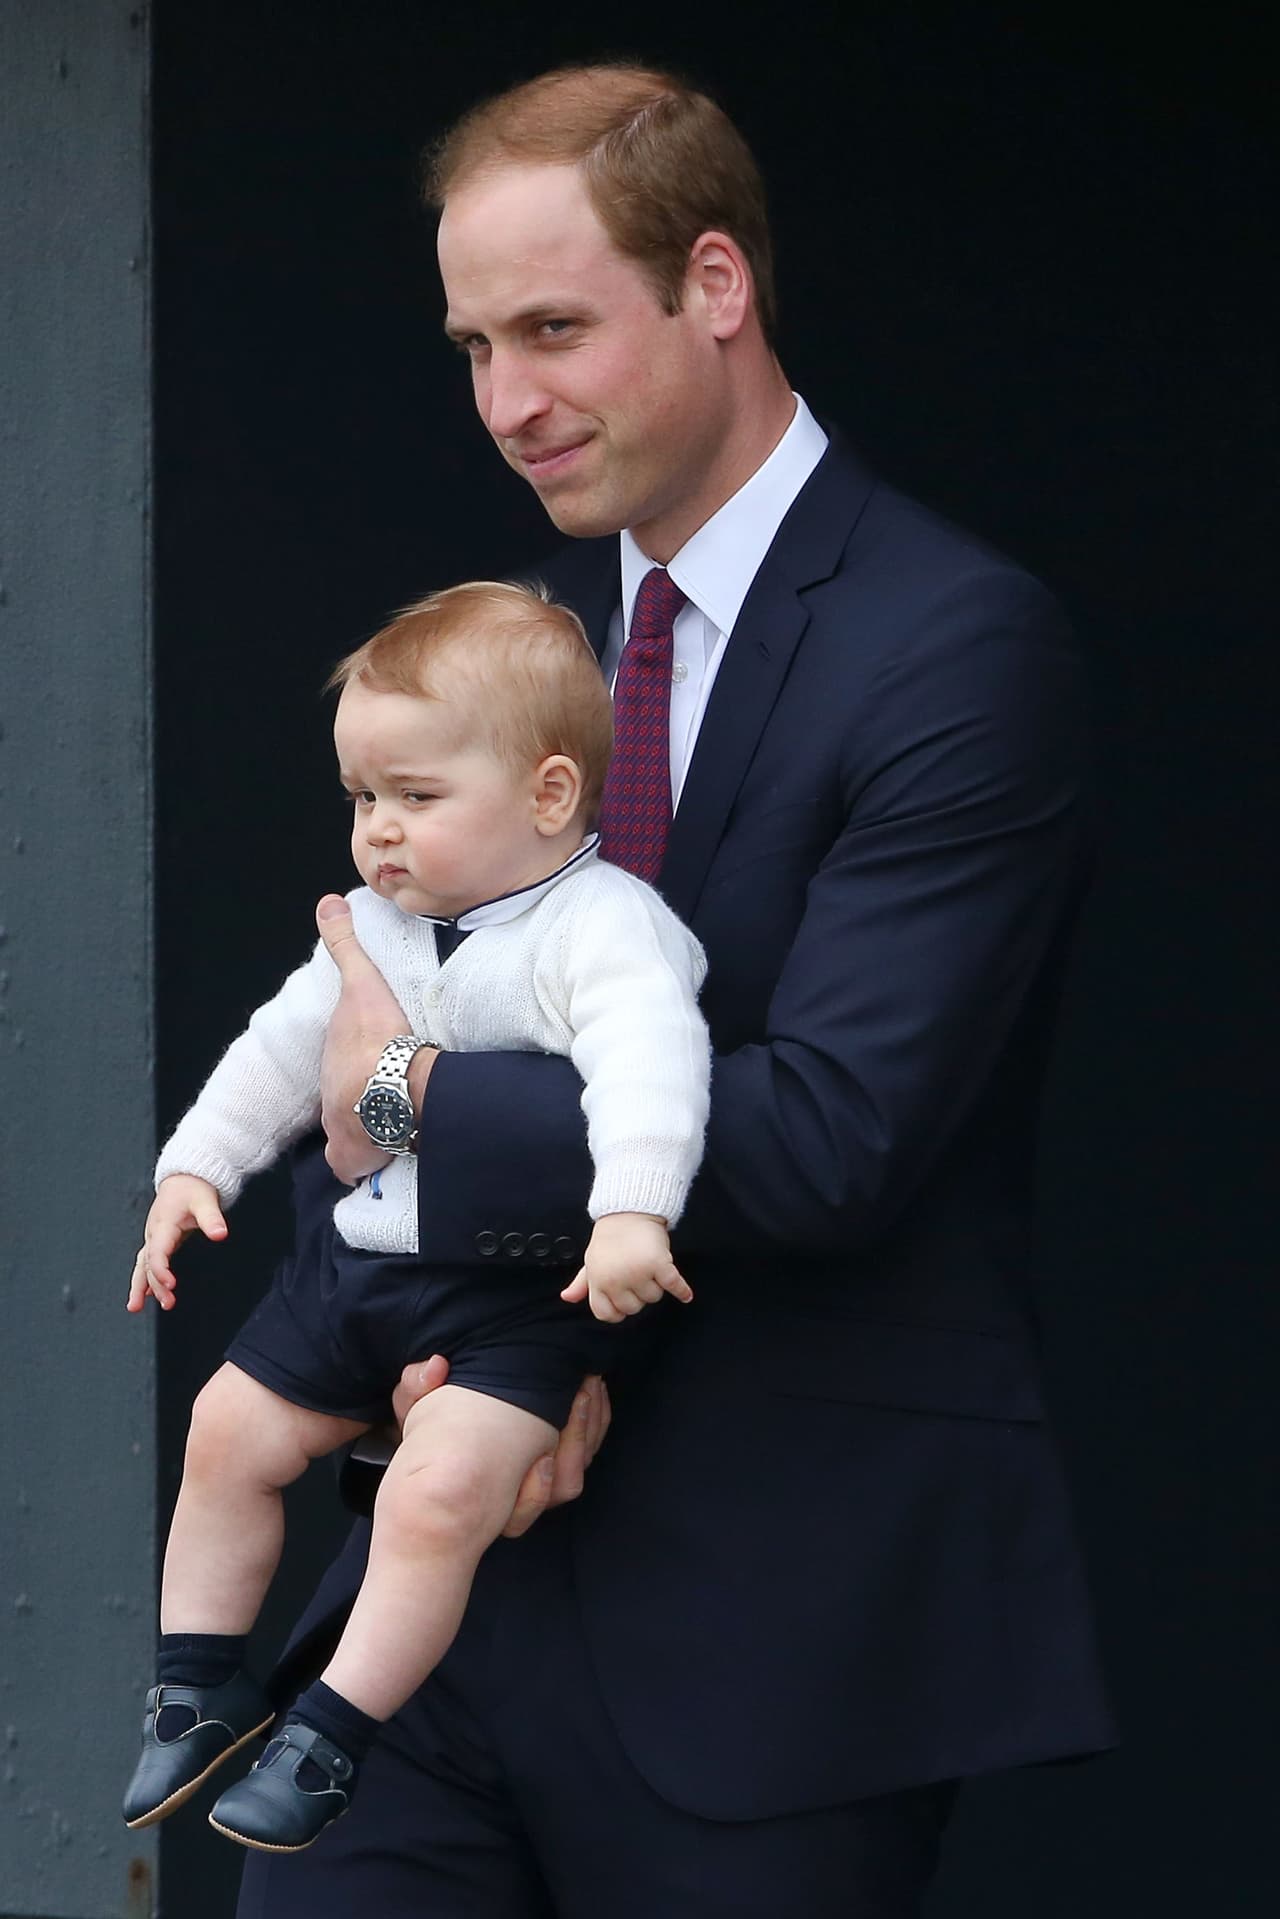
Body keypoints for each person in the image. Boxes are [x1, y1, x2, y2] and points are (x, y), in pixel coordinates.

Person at [238, 62, 1115, 1919]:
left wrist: (397, 1103)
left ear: (716, 283)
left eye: (555, 329)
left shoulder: (955, 642)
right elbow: (357, 1010)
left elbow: (826, 1132)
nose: (509, 403)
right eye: (475, 344)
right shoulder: (520, 648)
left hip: (770, 1630)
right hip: (439, 1583)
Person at [122, 581, 709, 1852]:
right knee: (226, 1425)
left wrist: (631, 1214)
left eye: (416, 798)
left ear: (551, 796)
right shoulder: (380, 927)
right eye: (361, 798)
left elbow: (652, 1067)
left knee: (434, 1492)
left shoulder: (605, 929)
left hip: (515, 1299)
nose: (378, 831)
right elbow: (282, 1054)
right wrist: (192, 1172)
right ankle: (196, 1678)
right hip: (360, 1272)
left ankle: (331, 1731)